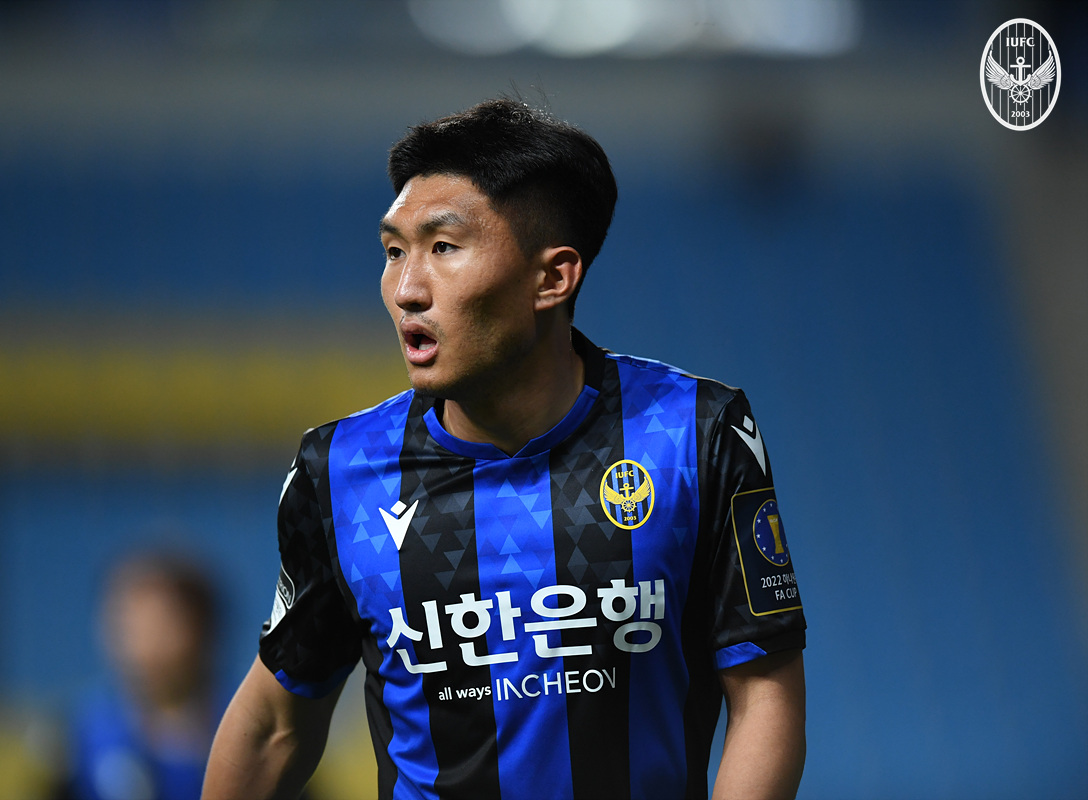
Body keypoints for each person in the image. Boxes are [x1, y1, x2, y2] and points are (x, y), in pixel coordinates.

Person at [203, 97, 806, 800]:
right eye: (394, 251)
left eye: (443, 247)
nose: (406, 289)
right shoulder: (338, 471)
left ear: (552, 278)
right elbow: (274, 725)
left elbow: (765, 693)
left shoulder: (693, 434)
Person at [60, 553, 225, 800]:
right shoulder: (82, 732)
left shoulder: (246, 726)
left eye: (160, 625)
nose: (142, 645)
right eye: (126, 625)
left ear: (202, 629)